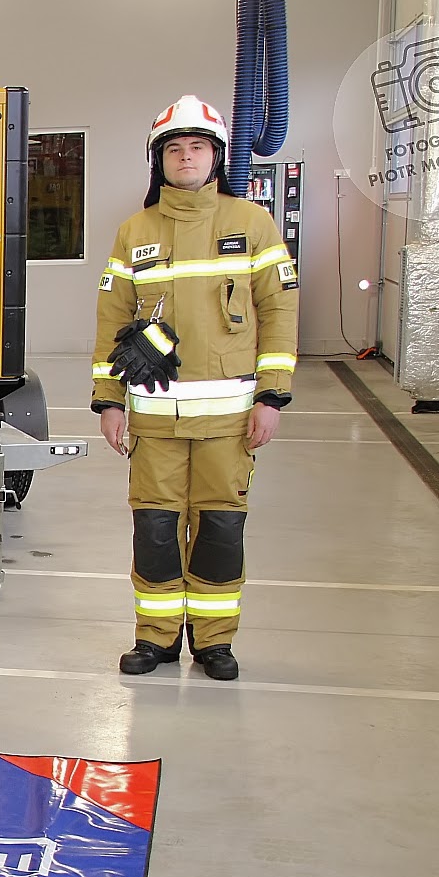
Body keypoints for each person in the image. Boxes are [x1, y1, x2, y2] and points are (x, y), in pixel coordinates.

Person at [90, 95, 298, 681]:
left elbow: (279, 311)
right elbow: (112, 319)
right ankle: (155, 638)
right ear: (159, 161)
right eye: (175, 148)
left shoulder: (252, 224)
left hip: (229, 422)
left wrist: (272, 395)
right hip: (154, 420)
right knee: (155, 530)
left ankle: (214, 642)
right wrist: (109, 401)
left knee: (219, 531)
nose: (186, 157)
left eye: (198, 147)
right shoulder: (135, 232)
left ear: (216, 157)